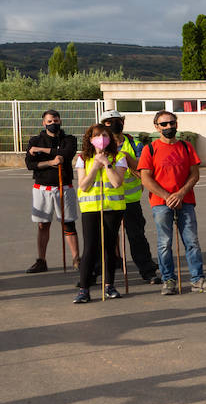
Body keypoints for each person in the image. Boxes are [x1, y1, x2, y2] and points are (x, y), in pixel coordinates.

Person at [138, 111, 206, 294]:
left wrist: (180, 194)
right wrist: (167, 196)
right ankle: (168, 280)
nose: (169, 127)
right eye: (164, 124)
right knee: (165, 243)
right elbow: (145, 178)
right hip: (161, 203)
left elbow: (194, 174)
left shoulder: (186, 147)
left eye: (172, 123)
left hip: (185, 201)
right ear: (157, 127)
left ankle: (197, 279)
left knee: (192, 241)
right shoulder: (150, 149)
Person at [100, 110, 161, 284]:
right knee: (104, 238)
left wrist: (127, 158)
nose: (114, 124)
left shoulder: (134, 145)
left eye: (117, 121)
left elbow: (143, 170)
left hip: (130, 200)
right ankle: (96, 272)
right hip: (109, 201)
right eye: (109, 122)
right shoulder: (100, 145)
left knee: (137, 237)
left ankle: (148, 271)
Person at [73, 123, 126, 303]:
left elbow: (117, 182)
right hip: (91, 209)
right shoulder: (83, 158)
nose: (101, 139)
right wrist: (95, 166)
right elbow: (83, 185)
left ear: (110, 138)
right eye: (97, 135)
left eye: (105, 135)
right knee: (90, 248)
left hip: (112, 209)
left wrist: (106, 164)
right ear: (90, 139)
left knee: (110, 248)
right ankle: (84, 289)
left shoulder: (118, 157)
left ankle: (109, 285)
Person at [25, 109, 78, 273]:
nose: (53, 124)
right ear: (44, 123)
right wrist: (50, 162)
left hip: (64, 187)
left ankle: (77, 259)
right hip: (42, 188)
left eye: (55, 121)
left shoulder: (69, 139)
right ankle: (41, 260)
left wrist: (44, 151)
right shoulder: (35, 140)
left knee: (68, 223)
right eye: (49, 121)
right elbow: (30, 164)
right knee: (43, 224)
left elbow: (66, 154)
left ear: (60, 121)